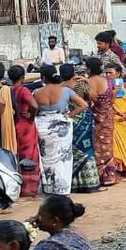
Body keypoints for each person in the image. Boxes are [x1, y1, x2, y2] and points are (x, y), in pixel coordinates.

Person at [35, 65, 87, 195]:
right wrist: (69, 115)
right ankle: (62, 189)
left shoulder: (36, 92)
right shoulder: (66, 91)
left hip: (43, 126)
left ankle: (48, 187)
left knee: (45, 158)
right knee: (62, 158)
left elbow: (33, 109)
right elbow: (83, 105)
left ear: (43, 77)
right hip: (61, 127)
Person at [3, 66, 41, 196]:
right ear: (23, 78)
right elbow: (34, 105)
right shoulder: (23, 90)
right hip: (26, 125)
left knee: (16, 154)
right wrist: (32, 115)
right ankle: (29, 188)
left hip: (13, 124)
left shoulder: (6, 90)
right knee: (29, 155)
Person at [66, 65, 102, 194]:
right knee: (86, 149)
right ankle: (89, 182)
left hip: (68, 119)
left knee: (72, 149)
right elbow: (93, 97)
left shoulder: (60, 87)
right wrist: (87, 83)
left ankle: (72, 183)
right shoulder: (81, 84)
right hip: (82, 118)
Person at [87, 59, 119, 187]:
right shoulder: (110, 82)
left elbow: (88, 101)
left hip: (93, 117)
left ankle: (96, 175)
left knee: (94, 145)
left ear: (88, 69)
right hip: (106, 117)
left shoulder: (87, 82)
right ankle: (109, 176)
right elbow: (112, 100)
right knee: (107, 144)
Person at [108, 63, 126, 176]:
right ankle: (117, 171)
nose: (108, 74)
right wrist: (113, 93)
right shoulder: (106, 87)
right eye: (106, 72)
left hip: (125, 119)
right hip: (113, 119)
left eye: (110, 72)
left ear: (118, 73)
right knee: (114, 147)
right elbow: (107, 104)